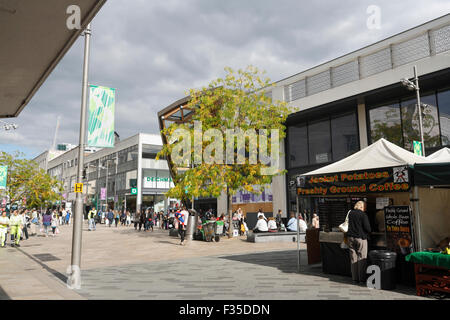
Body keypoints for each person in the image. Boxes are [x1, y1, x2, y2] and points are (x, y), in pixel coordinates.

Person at [346, 201, 371, 284]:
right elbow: (367, 228)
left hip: (350, 238)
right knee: (362, 258)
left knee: (353, 258)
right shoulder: (363, 215)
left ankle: (354, 278)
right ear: (362, 207)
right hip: (360, 238)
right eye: (365, 207)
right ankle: (362, 279)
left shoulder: (350, 213)